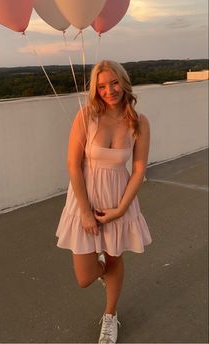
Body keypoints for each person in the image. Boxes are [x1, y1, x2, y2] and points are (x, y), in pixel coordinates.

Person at [56, 60, 152, 343]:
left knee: (115, 257)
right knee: (85, 277)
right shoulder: (86, 116)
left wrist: (120, 210)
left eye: (113, 83)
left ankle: (110, 315)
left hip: (118, 200)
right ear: (95, 89)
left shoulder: (138, 121)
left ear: (123, 82)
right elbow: (73, 165)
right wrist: (85, 212)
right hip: (85, 201)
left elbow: (139, 169)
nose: (109, 90)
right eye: (101, 86)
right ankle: (103, 272)